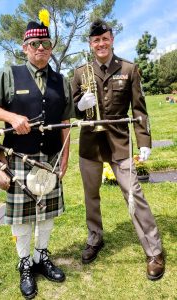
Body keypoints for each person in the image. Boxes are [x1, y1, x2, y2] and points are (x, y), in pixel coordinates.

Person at [0, 10, 74, 299]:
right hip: (19, 159)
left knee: (47, 213)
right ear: (25, 47)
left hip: (50, 158)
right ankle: (25, 264)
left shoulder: (61, 80)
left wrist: (66, 158)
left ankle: (41, 257)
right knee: (22, 218)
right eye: (36, 45)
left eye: (47, 44)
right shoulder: (10, 74)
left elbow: (67, 123)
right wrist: (11, 117)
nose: (42, 49)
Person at [71, 19, 165, 281]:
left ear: (112, 39)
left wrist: (145, 142)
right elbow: (68, 107)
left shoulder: (129, 69)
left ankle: (154, 250)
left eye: (105, 39)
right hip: (90, 144)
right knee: (91, 196)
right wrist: (78, 106)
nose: (101, 44)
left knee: (134, 193)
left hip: (120, 142)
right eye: (95, 40)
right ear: (90, 44)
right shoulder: (80, 73)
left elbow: (139, 109)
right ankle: (95, 238)